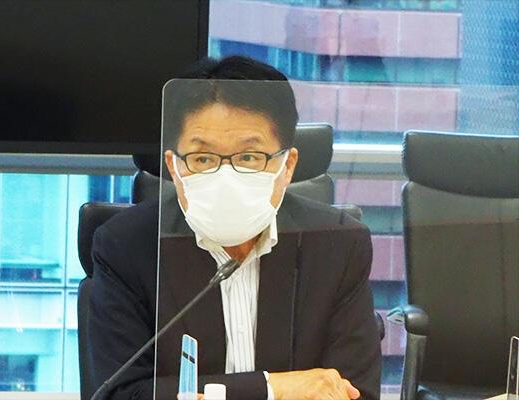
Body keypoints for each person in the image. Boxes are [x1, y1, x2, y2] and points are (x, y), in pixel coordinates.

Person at [88, 56, 382, 400]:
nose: (225, 177)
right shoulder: (125, 246)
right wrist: (273, 388)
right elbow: (120, 393)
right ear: (174, 168)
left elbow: (353, 392)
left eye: (249, 157)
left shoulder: (338, 246)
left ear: (287, 166)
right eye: (202, 159)